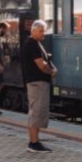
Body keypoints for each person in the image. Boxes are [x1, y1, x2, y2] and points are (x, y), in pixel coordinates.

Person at [22, 20, 56, 153]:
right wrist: (52, 71)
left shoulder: (33, 43)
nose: (44, 33)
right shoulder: (32, 44)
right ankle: (34, 143)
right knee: (37, 111)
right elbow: (41, 65)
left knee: (37, 110)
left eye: (44, 30)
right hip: (37, 82)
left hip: (36, 82)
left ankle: (34, 141)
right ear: (33, 30)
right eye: (41, 30)